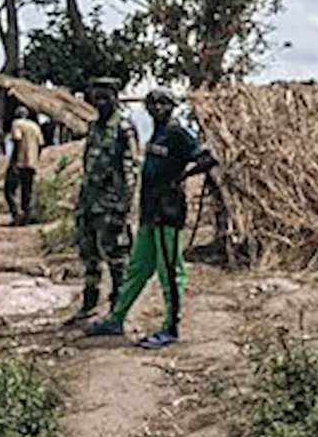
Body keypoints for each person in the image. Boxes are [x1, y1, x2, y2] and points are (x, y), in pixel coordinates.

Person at [85, 88, 217, 348]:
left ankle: (171, 328)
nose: (157, 107)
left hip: (168, 213)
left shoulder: (178, 133)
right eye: (152, 103)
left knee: (169, 272)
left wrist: (180, 179)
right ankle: (116, 319)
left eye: (163, 103)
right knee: (138, 268)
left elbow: (207, 158)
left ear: (172, 106)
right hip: (149, 212)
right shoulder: (156, 133)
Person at [69, 77, 141, 322]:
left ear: (115, 97)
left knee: (117, 259)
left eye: (105, 96)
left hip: (111, 205)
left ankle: (118, 310)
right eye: (96, 97)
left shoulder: (123, 128)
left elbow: (131, 169)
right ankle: (89, 304)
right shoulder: (93, 127)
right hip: (89, 203)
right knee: (89, 256)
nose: (100, 102)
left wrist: (123, 207)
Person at [5, 106, 45, 225]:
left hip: (20, 162)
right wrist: (35, 159)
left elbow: (17, 140)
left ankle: (17, 214)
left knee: (9, 189)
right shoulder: (35, 126)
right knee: (27, 191)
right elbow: (41, 144)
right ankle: (27, 217)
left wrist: (13, 161)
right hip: (32, 163)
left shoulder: (16, 124)